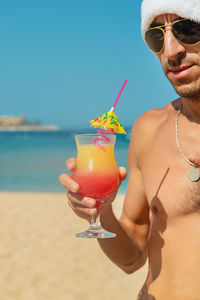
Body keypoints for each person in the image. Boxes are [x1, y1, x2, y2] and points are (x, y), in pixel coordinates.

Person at [59, 0, 200, 299]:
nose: (171, 51)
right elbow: (132, 258)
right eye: (157, 37)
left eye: (187, 28)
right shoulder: (148, 130)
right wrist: (102, 212)